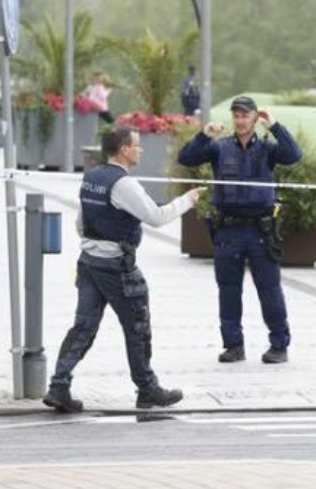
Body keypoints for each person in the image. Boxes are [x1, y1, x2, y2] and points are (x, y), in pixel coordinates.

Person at [43, 128, 206, 413]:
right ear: (123, 149)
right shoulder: (124, 184)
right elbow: (157, 217)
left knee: (83, 328)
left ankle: (58, 386)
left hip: (88, 262)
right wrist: (188, 200)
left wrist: (95, 244)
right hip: (116, 266)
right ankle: (147, 389)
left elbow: (81, 223)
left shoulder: (92, 177)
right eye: (137, 145)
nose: (141, 149)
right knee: (138, 328)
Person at [178, 96, 303, 364]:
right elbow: (186, 159)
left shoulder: (268, 149)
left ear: (255, 117)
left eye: (245, 115)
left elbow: (294, 155)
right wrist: (204, 135)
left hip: (261, 232)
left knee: (270, 290)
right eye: (236, 115)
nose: (240, 120)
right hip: (228, 231)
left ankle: (279, 345)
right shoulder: (219, 147)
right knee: (228, 291)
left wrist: (275, 127)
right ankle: (234, 345)